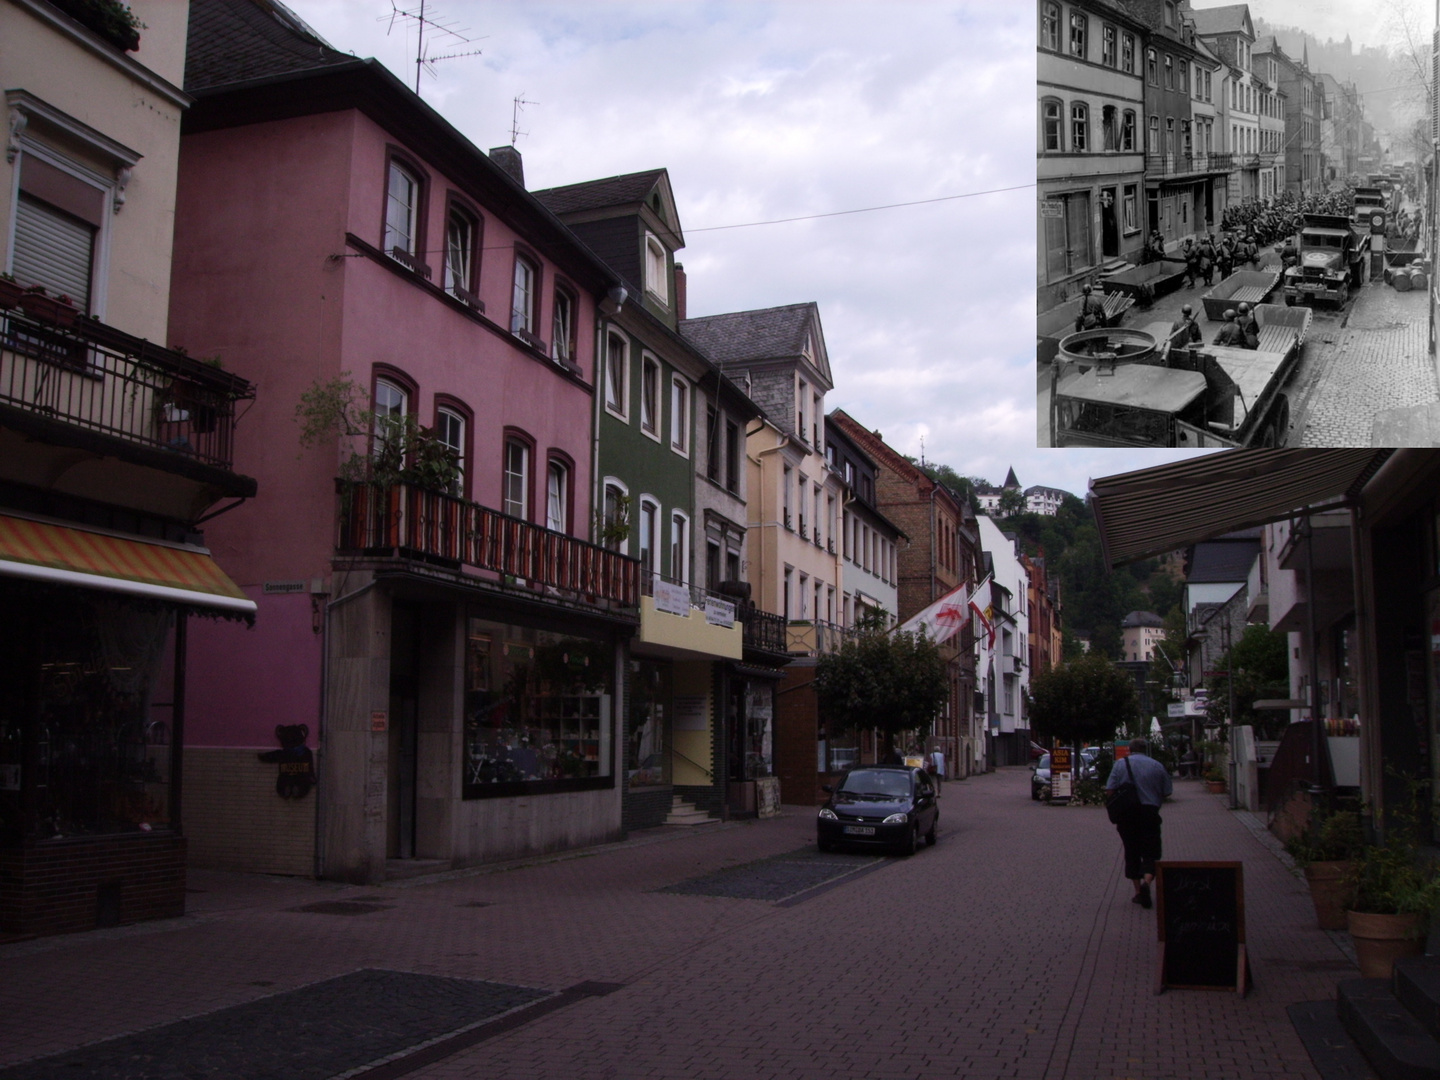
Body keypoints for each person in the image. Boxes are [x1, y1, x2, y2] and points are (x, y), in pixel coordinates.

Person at [1106, 738, 1173, 909]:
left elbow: (1110, 789)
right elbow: (1167, 791)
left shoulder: (1120, 765)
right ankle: (1147, 882)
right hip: (1150, 813)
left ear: (1129, 749)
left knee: (1132, 850)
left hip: (1127, 815)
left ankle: (1137, 892)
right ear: (1146, 749)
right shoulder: (1157, 765)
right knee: (1151, 851)